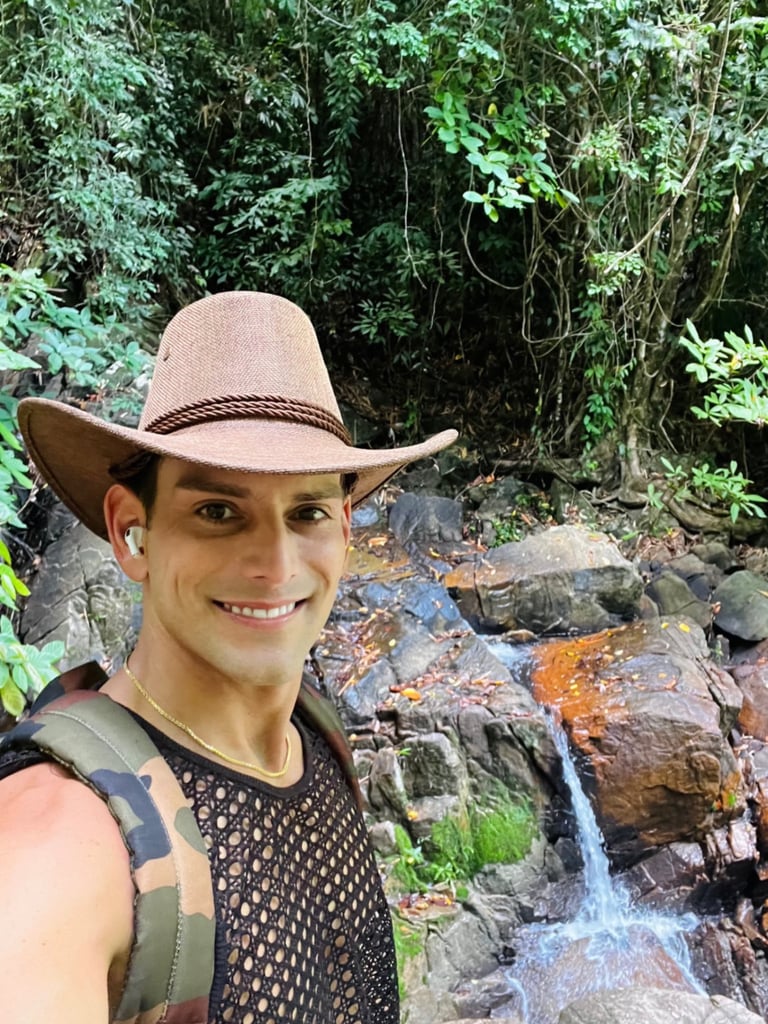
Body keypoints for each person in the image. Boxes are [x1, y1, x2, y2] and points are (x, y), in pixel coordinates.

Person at [0, 291, 457, 1024]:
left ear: (343, 529)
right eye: (218, 511)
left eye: (305, 512)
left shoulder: (315, 736)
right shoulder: (59, 842)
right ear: (130, 532)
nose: (275, 566)